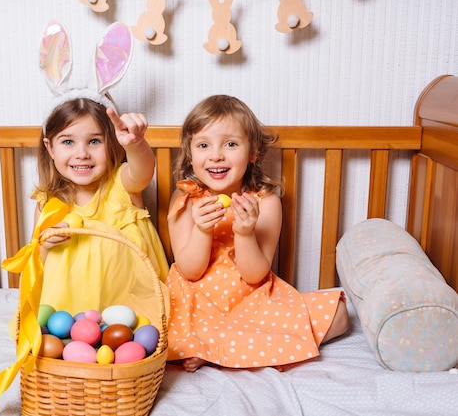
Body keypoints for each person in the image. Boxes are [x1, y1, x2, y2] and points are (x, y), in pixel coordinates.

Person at [165, 95, 349, 372]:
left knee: (341, 315)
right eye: (204, 145)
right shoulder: (185, 198)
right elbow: (189, 270)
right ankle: (220, 344)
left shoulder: (266, 201)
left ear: (252, 153)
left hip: (250, 302)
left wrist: (244, 232)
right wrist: (202, 229)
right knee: (156, 322)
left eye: (231, 144)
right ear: (191, 155)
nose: (216, 154)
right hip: (197, 301)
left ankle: (213, 346)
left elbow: (254, 275)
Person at [32, 97, 169, 314]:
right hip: (70, 306)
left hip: (128, 301)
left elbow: (143, 171)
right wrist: (46, 245)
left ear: (113, 142)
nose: (82, 153)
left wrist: (135, 145)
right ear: (50, 148)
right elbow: (36, 260)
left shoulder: (122, 183)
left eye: (94, 141)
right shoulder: (49, 201)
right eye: (68, 142)